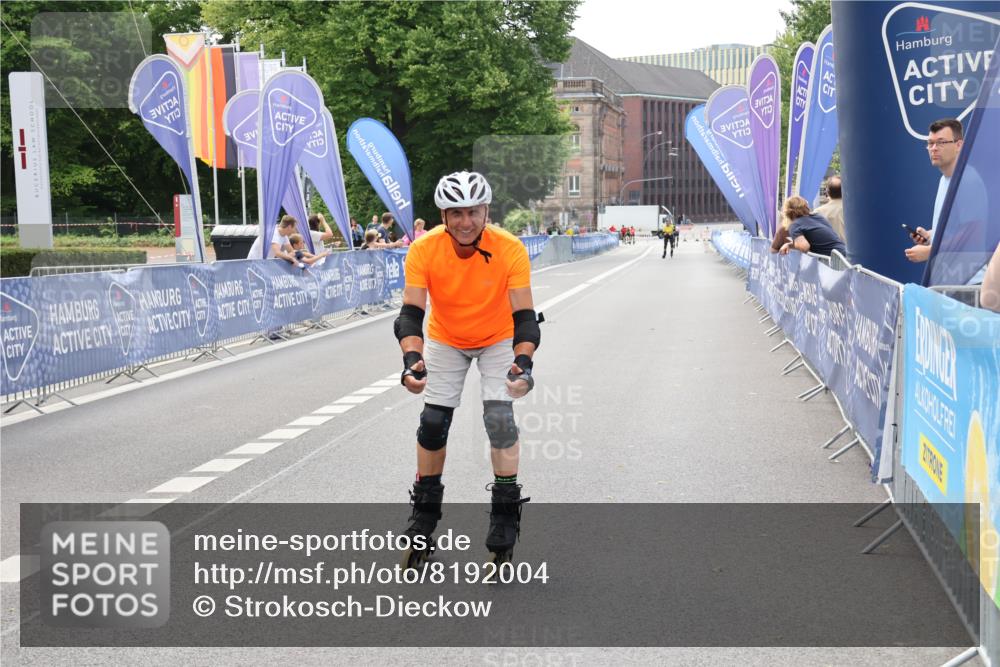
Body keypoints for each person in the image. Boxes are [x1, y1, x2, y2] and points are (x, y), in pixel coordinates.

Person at [395, 171, 538, 566]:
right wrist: (412, 359)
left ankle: (505, 513)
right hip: (446, 338)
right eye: (455, 213)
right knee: (433, 423)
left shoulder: (509, 248)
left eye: (473, 212)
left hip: (497, 337)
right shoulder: (423, 249)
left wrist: (522, 363)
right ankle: (424, 519)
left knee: (499, 419)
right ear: (443, 215)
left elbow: (525, 318)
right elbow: (409, 314)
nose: (464, 222)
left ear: (486, 211)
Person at [778, 196, 846, 257]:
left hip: (836, 260)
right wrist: (789, 245)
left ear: (788, 212)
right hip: (844, 254)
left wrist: (794, 243)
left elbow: (804, 247)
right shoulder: (817, 217)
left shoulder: (795, 225)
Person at [813, 176, 846, 245]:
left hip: (826, 254)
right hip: (851, 253)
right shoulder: (855, 212)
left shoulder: (817, 213)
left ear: (827, 192)